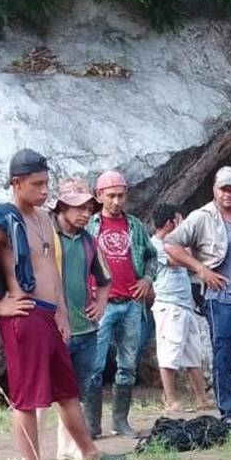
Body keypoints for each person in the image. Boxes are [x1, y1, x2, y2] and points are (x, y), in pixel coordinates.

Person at [0, 149, 105, 460]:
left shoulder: (41, 217)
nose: (44, 190)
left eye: (46, 183)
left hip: (49, 315)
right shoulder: (2, 221)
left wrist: (62, 311)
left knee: (66, 391)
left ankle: (90, 453)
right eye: (36, 184)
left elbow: (52, 267)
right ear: (16, 184)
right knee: (27, 397)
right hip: (25, 314)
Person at [165, 166, 231, 428]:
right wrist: (201, 269)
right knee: (223, 358)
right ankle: (230, 414)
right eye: (223, 188)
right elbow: (171, 243)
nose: (227, 194)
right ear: (215, 189)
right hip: (220, 300)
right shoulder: (202, 217)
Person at [84, 170, 158, 437]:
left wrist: (147, 280)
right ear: (99, 195)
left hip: (131, 303)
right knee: (94, 366)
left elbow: (152, 256)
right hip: (101, 305)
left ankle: (121, 422)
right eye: (111, 195)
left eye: (121, 195)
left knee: (128, 365)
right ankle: (92, 426)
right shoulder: (89, 227)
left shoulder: (135, 226)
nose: (116, 201)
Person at [46, 178, 110, 460]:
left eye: (88, 208)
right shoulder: (46, 236)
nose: (85, 213)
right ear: (61, 206)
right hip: (52, 328)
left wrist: (100, 304)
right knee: (43, 394)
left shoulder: (88, 242)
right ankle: (36, 456)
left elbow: (105, 279)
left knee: (76, 393)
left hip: (84, 328)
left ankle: (68, 448)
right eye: (78, 207)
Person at [150, 203, 210, 412]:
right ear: (170, 224)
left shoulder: (171, 243)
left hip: (185, 304)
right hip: (169, 305)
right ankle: (171, 399)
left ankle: (202, 398)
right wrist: (183, 235)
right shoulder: (156, 245)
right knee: (169, 353)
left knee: (193, 353)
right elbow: (181, 261)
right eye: (179, 223)